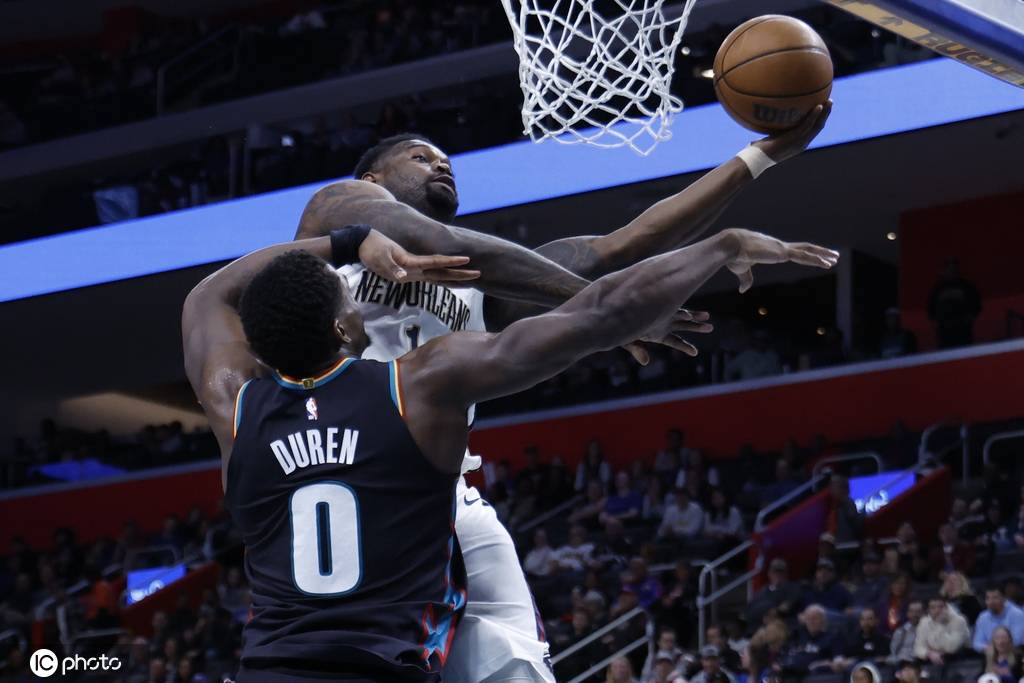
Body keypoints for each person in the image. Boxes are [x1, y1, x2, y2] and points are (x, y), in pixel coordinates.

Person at [294, 111, 832, 682]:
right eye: (421, 157)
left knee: (520, 666)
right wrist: (610, 312)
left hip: (446, 491)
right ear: (373, 179)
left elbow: (622, 247)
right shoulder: (339, 210)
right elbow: (442, 242)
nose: (441, 165)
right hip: (346, 475)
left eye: (446, 161)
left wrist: (759, 158)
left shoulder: (478, 286)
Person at [184, 226, 836, 681]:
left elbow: (208, 294)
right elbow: (601, 312)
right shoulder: (417, 386)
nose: (357, 298)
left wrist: (346, 244)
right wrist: (721, 246)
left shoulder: (233, 406)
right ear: (341, 327)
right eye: (349, 295)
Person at [927, 259, 981, 349]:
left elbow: (976, 305)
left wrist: (970, 318)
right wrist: (937, 322)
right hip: (944, 331)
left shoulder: (966, 286)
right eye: (949, 269)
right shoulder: (938, 288)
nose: (952, 271)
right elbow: (930, 309)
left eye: (954, 269)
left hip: (963, 329)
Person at [913, 595, 970, 665]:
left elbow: (952, 648)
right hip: (931, 659)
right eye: (933, 608)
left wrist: (940, 624)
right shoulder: (924, 622)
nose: (937, 610)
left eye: (941, 607)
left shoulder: (959, 620)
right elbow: (918, 648)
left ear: (946, 607)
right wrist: (929, 653)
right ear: (928, 610)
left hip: (956, 660)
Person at [748, 558, 802, 626]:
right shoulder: (762, 591)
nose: (777, 575)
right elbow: (752, 608)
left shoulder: (793, 588)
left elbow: (786, 606)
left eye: (781, 572)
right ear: (769, 573)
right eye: (775, 572)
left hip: (782, 623)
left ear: (786, 574)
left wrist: (772, 612)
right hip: (760, 624)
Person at [973, 584, 1024, 652]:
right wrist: (989, 648)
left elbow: (1017, 641)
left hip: (1014, 653)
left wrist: (996, 648)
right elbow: (977, 643)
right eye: (988, 598)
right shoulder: (982, 617)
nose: (991, 602)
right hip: (990, 653)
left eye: (995, 597)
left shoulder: (1017, 614)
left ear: (1004, 598)